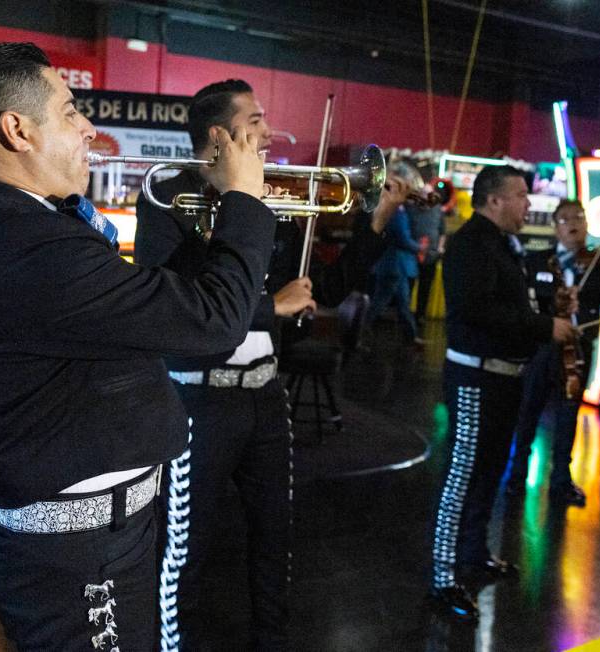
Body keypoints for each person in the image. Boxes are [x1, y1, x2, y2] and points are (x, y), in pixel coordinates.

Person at [0, 43, 276, 651]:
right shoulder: (25, 244)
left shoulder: (21, 224)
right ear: (17, 130)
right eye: (70, 112)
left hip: (101, 540)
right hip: (81, 557)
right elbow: (215, 321)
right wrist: (245, 201)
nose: (90, 128)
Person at [134, 79, 408, 651]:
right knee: (183, 549)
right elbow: (173, 303)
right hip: (196, 399)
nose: (268, 131)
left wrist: (374, 223)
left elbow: (321, 288)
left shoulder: (268, 198)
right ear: (219, 134)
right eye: (255, 120)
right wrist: (267, 304)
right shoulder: (166, 193)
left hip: (264, 396)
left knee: (275, 537)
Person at [430, 165, 576, 622]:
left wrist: (547, 307)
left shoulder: (500, 245)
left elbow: (510, 303)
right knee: (461, 476)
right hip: (475, 377)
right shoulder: (472, 243)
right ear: (494, 200)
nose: (528, 204)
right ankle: (442, 576)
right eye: (520, 196)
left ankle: (474, 555)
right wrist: (545, 326)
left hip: (503, 376)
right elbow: (477, 310)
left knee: (489, 471)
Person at [507, 200, 600, 507]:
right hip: (542, 348)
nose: (574, 223)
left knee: (568, 414)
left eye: (579, 218)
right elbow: (524, 302)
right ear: (555, 227)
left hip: (578, 350)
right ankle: (516, 475)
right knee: (527, 412)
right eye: (565, 219)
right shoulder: (538, 261)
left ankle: (561, 480)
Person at [363, 161, 425, 346]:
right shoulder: (395, 211)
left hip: (393, 264)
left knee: (400, 303)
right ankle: (360, 331)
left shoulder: (396, 209)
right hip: (394, 264)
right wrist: (420, 248)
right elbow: (402, 238)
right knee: (381, 302)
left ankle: (411, 336)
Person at [409, 183, 447, 325]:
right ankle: (406, 316)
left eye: (428, 194)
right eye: (423, 193)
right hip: (413, 253)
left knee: (425, 287)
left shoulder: (438, 210)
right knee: (409, 286)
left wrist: (439, 248)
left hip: (431, 255)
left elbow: (442, 232)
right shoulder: (411, 209)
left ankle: (420, 316)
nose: (425, 196)